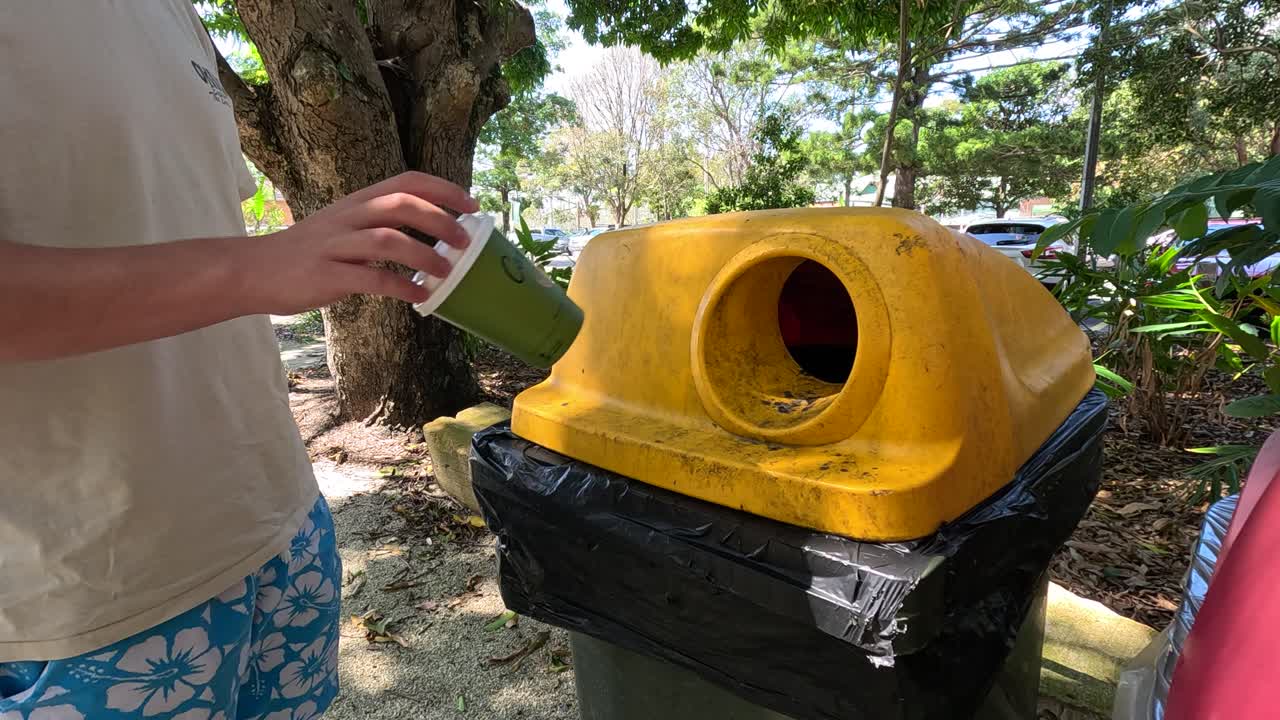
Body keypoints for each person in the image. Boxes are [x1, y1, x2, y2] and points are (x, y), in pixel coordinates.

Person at [0, 4, 477, 718]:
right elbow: (240, 266)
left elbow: (184, 222)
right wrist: (256, 269)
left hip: (283, 531)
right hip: (89, 606)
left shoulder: (173, 14)